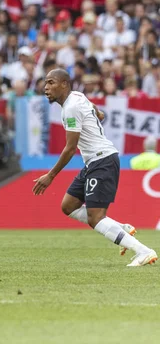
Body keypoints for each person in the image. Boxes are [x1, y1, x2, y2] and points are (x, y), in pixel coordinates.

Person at [33, 69, 157, 267]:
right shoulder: (77, 96)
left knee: (96, 218)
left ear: (64, 84)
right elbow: (99, 113)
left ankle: (143, 251)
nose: (46, 88)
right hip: (94, 161)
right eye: (45, 83)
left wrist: (51, 175)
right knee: (68, 205)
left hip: (102, 160)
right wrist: (97, 114)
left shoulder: (71, 107)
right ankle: (120, 228)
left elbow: (70, 148)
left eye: (50, 82)